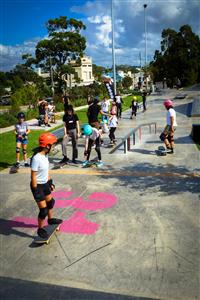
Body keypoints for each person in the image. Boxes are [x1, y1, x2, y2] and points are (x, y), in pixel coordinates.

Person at [30, 133, 62, 238]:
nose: (53, 146)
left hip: (45, 184)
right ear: (47, 146)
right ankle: (40, 229)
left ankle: (51, 220)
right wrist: (35, 190)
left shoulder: (45, 155)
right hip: (37, 186)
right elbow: (33, 176)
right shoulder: (36, 158)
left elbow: (46, 171)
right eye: (52, 144)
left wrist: (50, 183)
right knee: (43, 211)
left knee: (50, 203)